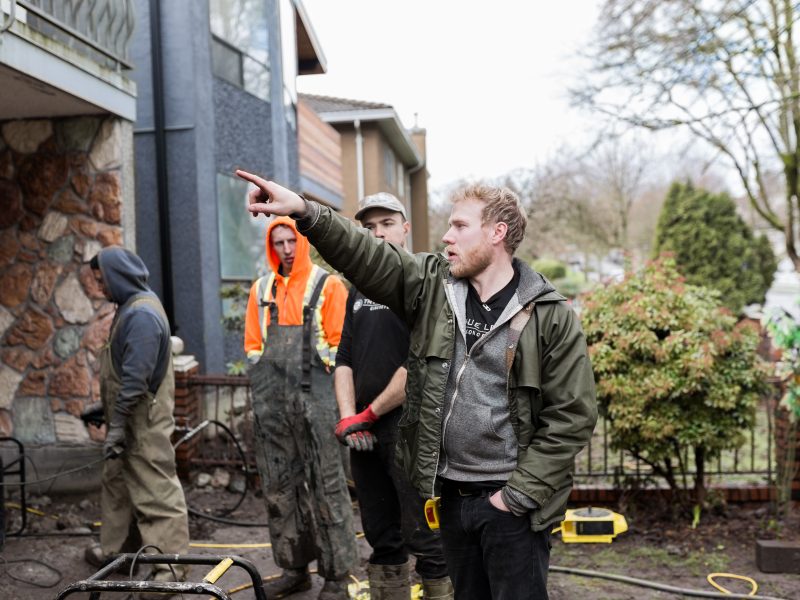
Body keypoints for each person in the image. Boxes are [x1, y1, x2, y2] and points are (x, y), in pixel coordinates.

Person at [236, 170, 598, 600]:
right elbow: (366, 254)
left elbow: (572, 417)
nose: (446, 236)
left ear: (498, 232)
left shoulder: (548, 315)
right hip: (450, 498)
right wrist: (303, 210)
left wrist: (515, 497)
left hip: (510, 506)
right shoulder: (434, 288)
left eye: (460, 226)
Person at [333, 193, 453, 599]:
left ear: (405, 228)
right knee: (382, 539)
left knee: (428, 539)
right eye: (368, 227)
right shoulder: (357, 288)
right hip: (364, 436)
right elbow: (344, 357)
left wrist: (368, 412)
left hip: (411, 434)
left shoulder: (422, 285)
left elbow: (419, 364)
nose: (377, 233)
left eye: (386, 223)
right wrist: (350, 418)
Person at [243, 216, 357, 599]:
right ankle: (294, 568)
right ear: (270, 246)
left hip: (318, 399)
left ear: (302, 242)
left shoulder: (328, 286)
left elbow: (342, 352)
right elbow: (253, 348)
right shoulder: (261, 291)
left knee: (327, 485)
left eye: (291, 241)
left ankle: (337, 577)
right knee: (279, 487)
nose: (286, 250)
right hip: (273, 404)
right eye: (278, 243)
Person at [85, 246, 189, 600]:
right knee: (117, 483)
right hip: (126, 415)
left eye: (102, 280)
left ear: (116, 276)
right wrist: (105, 411)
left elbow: (136, 379)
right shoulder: (129, 307)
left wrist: (117, 427)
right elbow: (124, 369)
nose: (100, 287)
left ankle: (170, 570)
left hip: (142, 421)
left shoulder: (141, 314)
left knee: (155, 489)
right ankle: (117, 553)